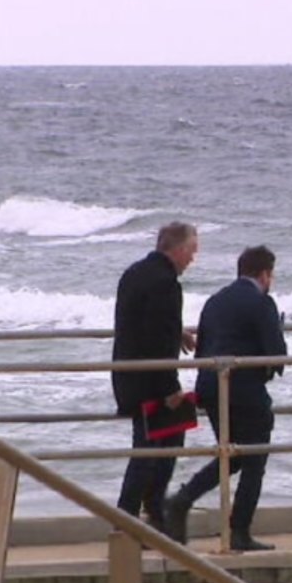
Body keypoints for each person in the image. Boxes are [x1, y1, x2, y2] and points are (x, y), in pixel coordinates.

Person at [164, 245, 287, 551]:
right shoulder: (262, 302)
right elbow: (277, 356)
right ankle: (239, 530)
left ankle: (182, 499)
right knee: (255, 459)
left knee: (230, 457)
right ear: (264, 274)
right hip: (245, 391)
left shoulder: (215, 301)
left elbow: (205, 348)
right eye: (271, 275)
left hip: (211, 387)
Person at [113, 222, 199, 531]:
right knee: (150, 451)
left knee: (158, 444)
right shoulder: (167, 283)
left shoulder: (135, 272)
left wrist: (178, 332)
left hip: (127, 376)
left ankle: (149, 515)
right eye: (191, 250)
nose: (193, 258)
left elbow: (143, 323)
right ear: (176, 249)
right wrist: (171, 388)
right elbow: (156, 339)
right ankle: (132, 520)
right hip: (151, 382)